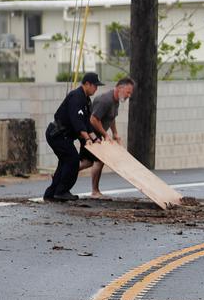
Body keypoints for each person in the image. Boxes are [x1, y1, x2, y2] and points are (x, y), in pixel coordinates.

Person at [42, 72, 104, 202]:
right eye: (95, 86)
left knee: (65, 162)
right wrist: (87, 138)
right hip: (57, 134)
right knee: (72, 160)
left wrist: (94, 138)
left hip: (62, 136)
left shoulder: (86, 100)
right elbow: (77, 122)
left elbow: (87, 123)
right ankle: (62, 191)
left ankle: (51, 193)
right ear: (87, 84)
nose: (96, 89)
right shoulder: (76, 97)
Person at [81, 76, 135, 198]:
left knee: (86, 162)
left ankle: (61, 174)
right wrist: (105, 135)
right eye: (128, 92)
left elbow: (111, 118)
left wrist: (115, 133)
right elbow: (93, 119)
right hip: (91, 134)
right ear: (120, 88)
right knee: (99, 160)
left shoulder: (116, 101)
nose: (129, 96)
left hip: (98, 134)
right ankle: (95, 191)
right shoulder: (105, 100)